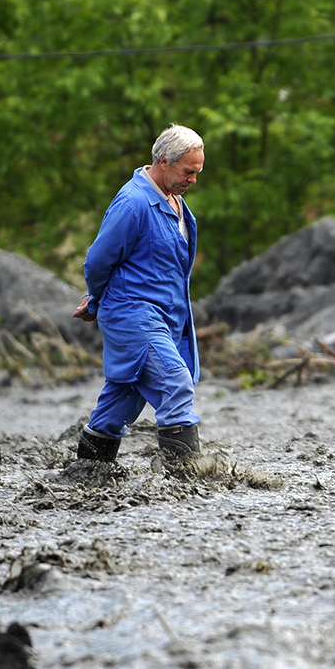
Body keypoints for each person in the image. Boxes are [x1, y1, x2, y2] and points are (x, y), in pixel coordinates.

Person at [72, 124, 205, 465]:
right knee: (176, 384)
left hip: (166, 317)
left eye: (197, 172)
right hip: (135, 314)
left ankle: (87, 472)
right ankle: (189, 483)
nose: (193, 179)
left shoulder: (174, 201)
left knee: (122, 399)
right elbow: (98, 261)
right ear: (164, 162)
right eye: (188, 172)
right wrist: (97, 298)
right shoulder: (133, 204)